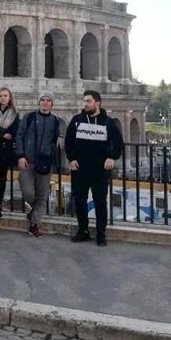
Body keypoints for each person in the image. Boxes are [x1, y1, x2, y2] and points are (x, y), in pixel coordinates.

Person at [64, 90, 124, 246]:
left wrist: (112, 157)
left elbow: (118, 142)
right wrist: (71, 159)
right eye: (84, 101)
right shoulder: (77, 120)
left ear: (97, 103)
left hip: (99, 169)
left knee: (100, 202)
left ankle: (100, 234)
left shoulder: (108, 122)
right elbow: (69, 141)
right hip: (80, 168)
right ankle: (82, 230)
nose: (85, 104)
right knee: (79, 201)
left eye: (88, 101)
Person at [15, 91, 63, 237]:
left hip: (45, 161)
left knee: (42, 195)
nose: (46, 102)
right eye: (43, 99)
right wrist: (21, 156)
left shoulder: (56, 121)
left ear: (52, 104)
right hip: (28, 160)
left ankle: (34, 224)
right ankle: (35, 212)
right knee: (27, 191)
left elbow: (57, 141)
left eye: (49, 100)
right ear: (39, 102)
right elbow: (19, 136)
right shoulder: (29, 117)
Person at [0, 87, 19, 219]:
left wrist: (5, 134)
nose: (3, 98)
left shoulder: (14, 113)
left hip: (6, 150)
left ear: (10, 97)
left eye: (5, 96)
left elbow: (14, 131)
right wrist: (3, 135)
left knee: (2, 179)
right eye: (0, 96)